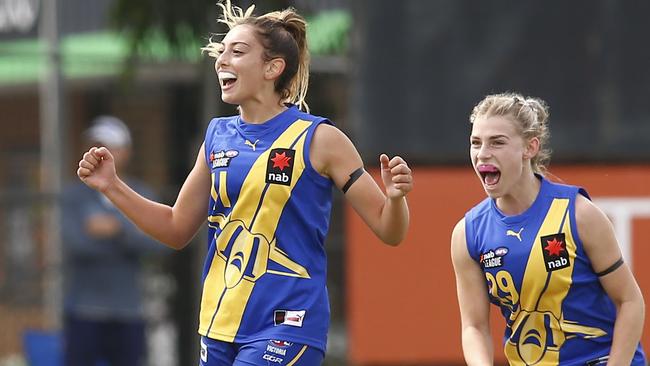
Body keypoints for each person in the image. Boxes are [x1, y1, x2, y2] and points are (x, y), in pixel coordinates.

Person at [76, 1, 413, 365]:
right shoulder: (217, 137)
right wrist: (112, 185)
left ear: (273, 67)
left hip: (288, 324)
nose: (222, 60)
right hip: (220, 324)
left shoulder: (319, 138)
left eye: (237, 51)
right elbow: (175, 228)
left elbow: (388, 229)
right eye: (221, 52)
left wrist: (395, 199)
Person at [451, 92, 646, 365]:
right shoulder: (468, 233)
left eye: (497, 142)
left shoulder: (579, 214)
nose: (483, 153)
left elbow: (630, 302)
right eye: (475, 143)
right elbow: (474, 327)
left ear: (530, 148)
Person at [62, 116, 167, 366]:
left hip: (128, 310)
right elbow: (77, 244)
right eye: (94, 144)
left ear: (126, 152)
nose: (99, 152)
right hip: (84, 310)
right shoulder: (73, 196)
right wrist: (132, 228)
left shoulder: (143, 194)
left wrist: (117, 227)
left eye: (109, 146)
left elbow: (159, 243)